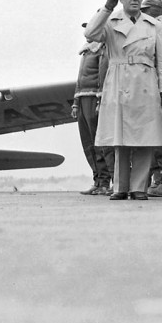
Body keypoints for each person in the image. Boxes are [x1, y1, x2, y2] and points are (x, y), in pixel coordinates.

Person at [84, 0, 162, 200]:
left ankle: (139, 187)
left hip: (145, 82)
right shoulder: (111, 22)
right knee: (119, 137)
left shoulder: (154, 25)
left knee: (145, 137)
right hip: (118, 81)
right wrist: (106, 7)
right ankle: (120, 187)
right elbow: (90, 34)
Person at [73, 25, 113, 195]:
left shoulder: (102, 50)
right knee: (87, 142)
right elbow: (79, 80)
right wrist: (75, 102)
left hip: (93, 97)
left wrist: (99, 100)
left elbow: (102, 76)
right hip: (82, 97)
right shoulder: (86, 52)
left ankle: (104, 181)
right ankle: (97, 179)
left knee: (98, 142)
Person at [141, 0, 162, 197]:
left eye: (146, 9)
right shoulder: (149, 29)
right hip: (148, 88)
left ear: (155, 10)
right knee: (151, 137)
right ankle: (158, 179)